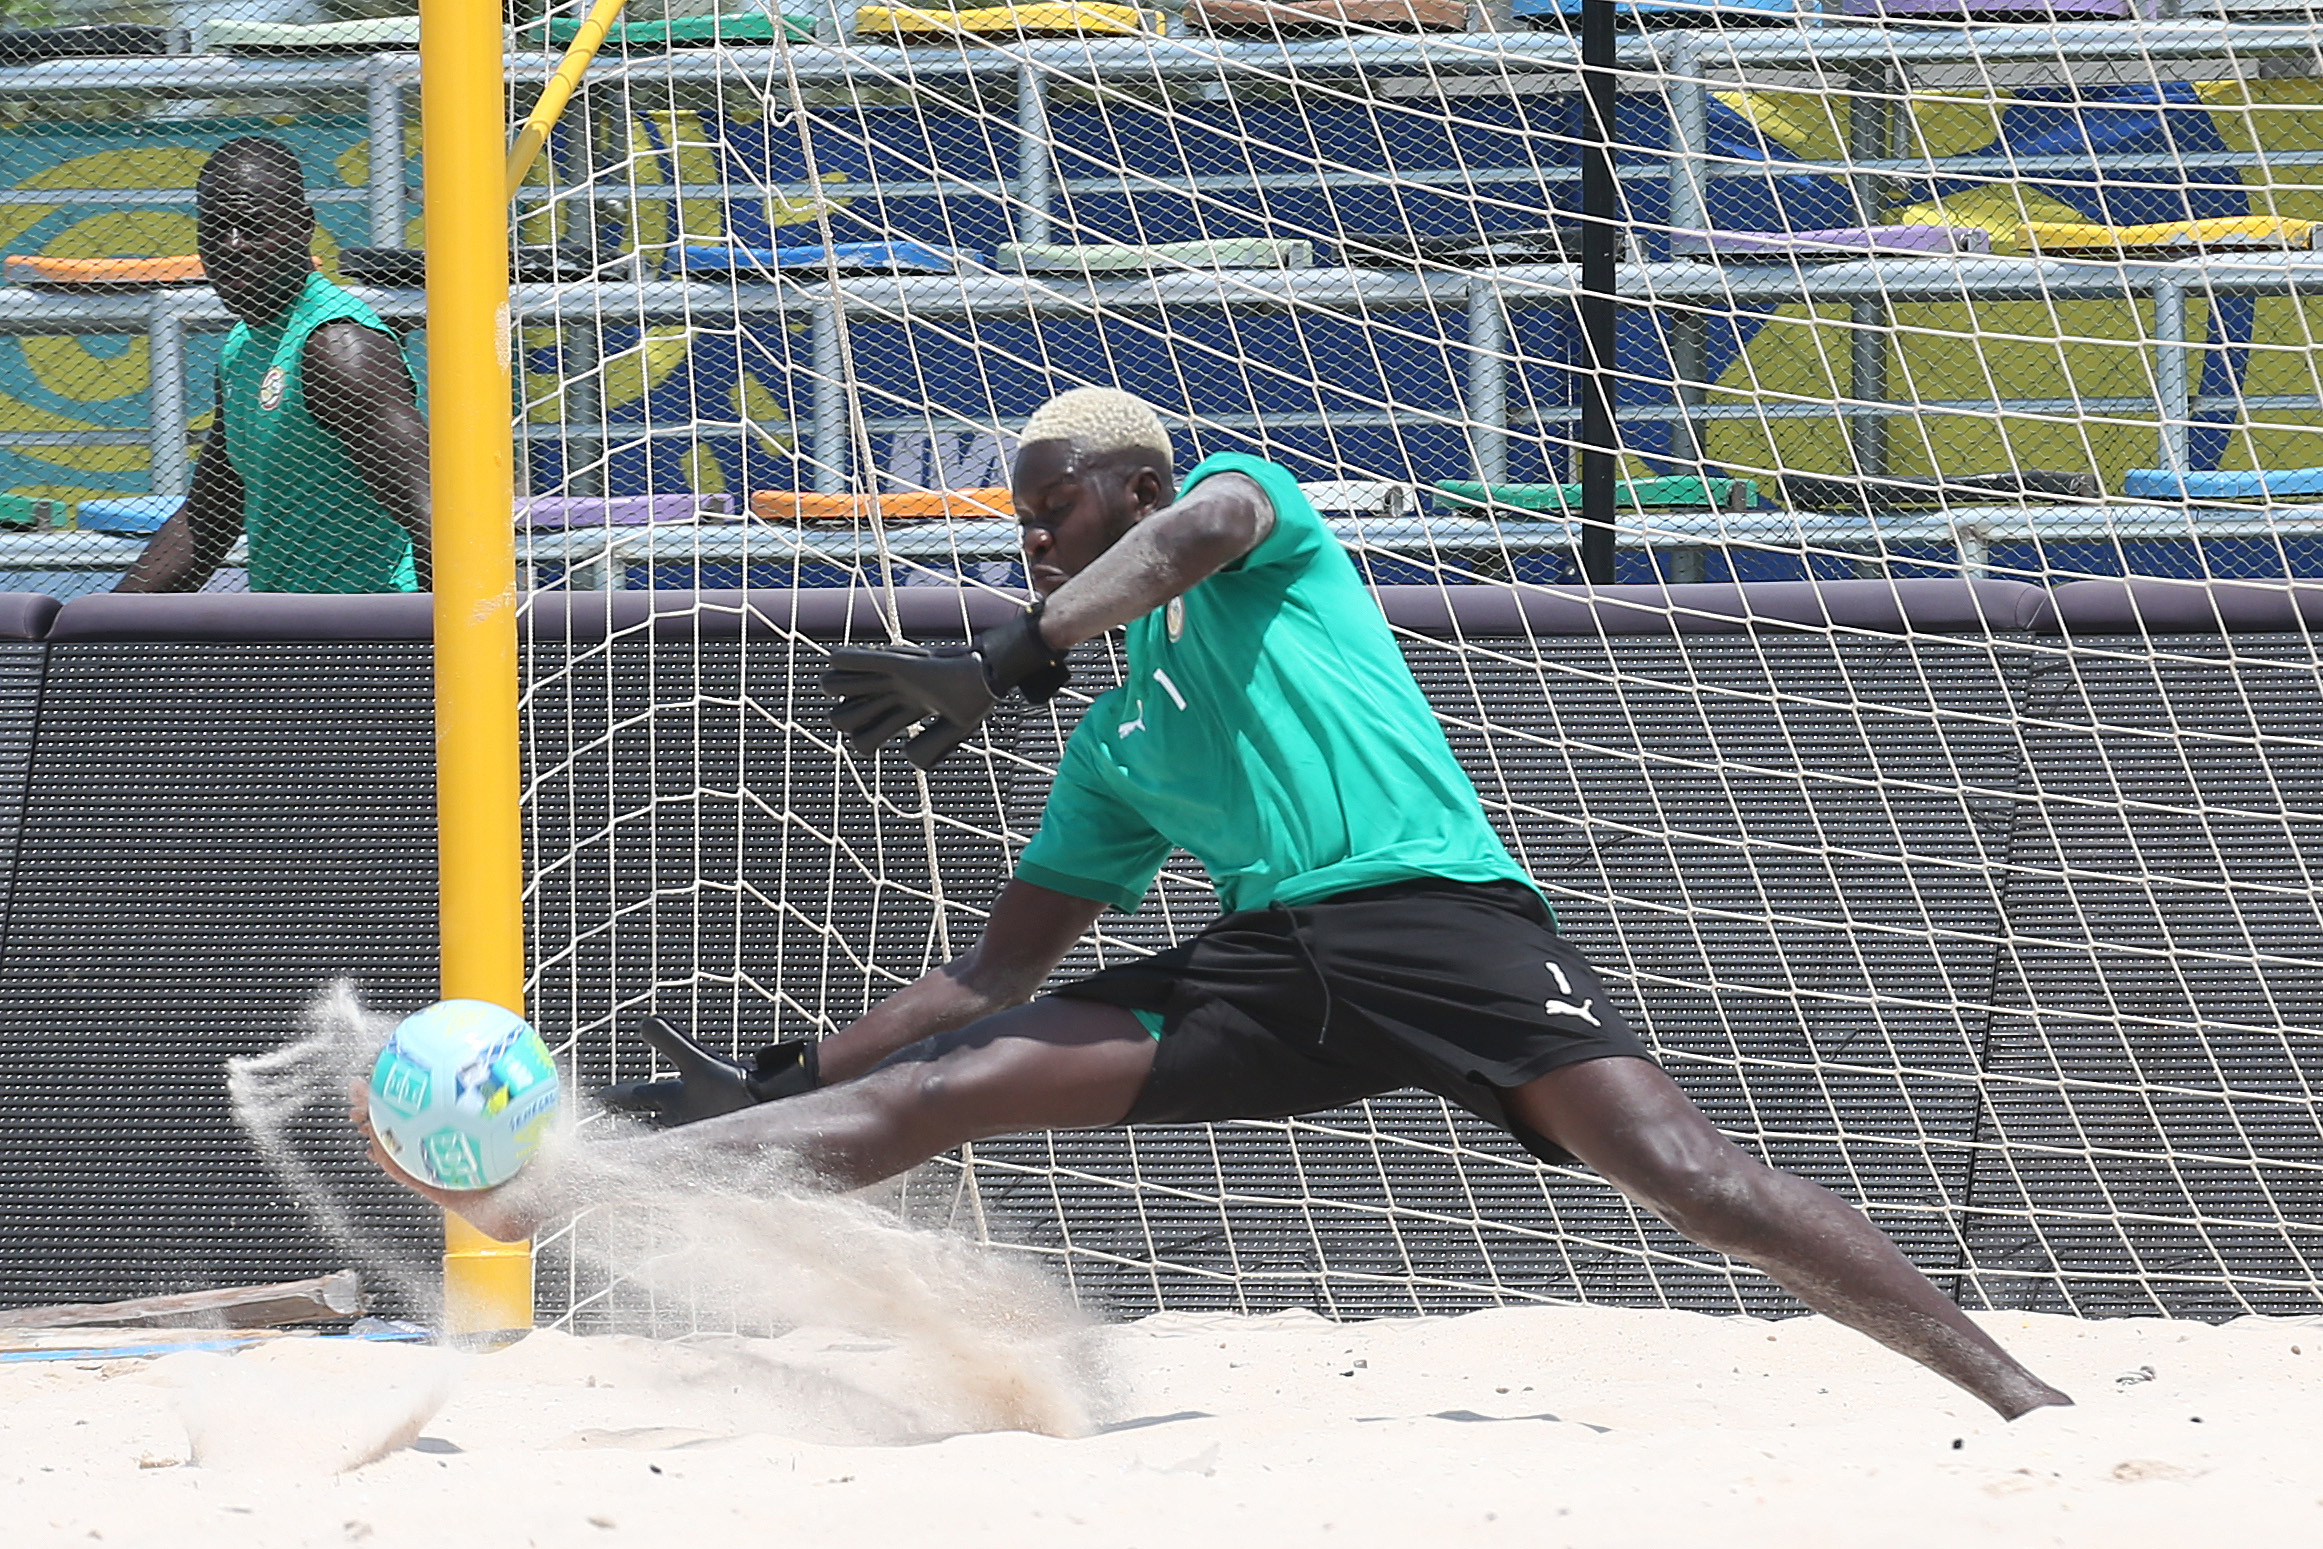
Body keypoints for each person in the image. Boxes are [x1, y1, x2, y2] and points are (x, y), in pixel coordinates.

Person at [361, 387, 2070, 1420]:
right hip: (1274, 968)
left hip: (1434, 918)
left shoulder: (1252, 519)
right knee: (944, 1082)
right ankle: (565, 1183)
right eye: (1018, 526)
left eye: (1054, 512)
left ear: (1127, 484)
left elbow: (1187, 540)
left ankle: (2013, 1393)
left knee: (1687, 1174)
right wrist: (797, 1067)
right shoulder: (1110, 745)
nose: (1035, 538)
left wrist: (1007, 654)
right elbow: (983, 974)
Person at [116, 136, 429, 594]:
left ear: (303, 226)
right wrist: (100, 628)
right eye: (215, 229)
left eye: (253, 226)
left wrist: (432, 649)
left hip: (369, 642)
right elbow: (209, 516)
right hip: (290, 639)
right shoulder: (243, 346)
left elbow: (440, 518)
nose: (232, 245)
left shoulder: (337, 348)